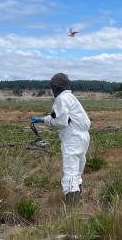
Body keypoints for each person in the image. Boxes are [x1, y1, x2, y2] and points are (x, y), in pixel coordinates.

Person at [30, 73, 91, 205]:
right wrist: (44, 119)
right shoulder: (71, 97)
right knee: (77, 173)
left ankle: (72, 213)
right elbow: (63, 117)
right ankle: (78, 205)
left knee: (70, 174)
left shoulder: (61, 99)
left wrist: (45, 120)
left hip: (73, 138)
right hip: (83, 137)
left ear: (55, 87)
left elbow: (61, 122)